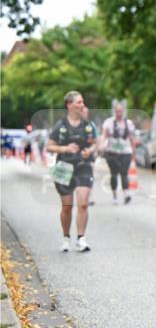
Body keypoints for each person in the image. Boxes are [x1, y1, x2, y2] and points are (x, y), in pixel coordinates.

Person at [47, 91, 98, 252]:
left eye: (83, 102)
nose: (82, 105)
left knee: (83, 203)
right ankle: (66, 237)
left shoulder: (88, 126)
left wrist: (89, 151)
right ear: (69, 105)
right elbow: (49, 146)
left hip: (83, 166)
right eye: (79, 102)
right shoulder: (60, 125)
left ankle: (81, 238)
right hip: (64, 167)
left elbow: (96, 143)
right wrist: (65, 148)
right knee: (67, 206)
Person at [100, 100, 138, 205]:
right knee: (114, 174)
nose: (119, 113)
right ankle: (115, 195)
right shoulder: (109, 123)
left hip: (125, 152)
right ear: (114, 111)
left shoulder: (128, 123)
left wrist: (134, 151)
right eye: (117, 111)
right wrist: (101, 145)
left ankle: (126, 194)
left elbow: (131, 138)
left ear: (123, 111)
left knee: (124, 172)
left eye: (121, 111)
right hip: (112, 152)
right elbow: (104, 135)